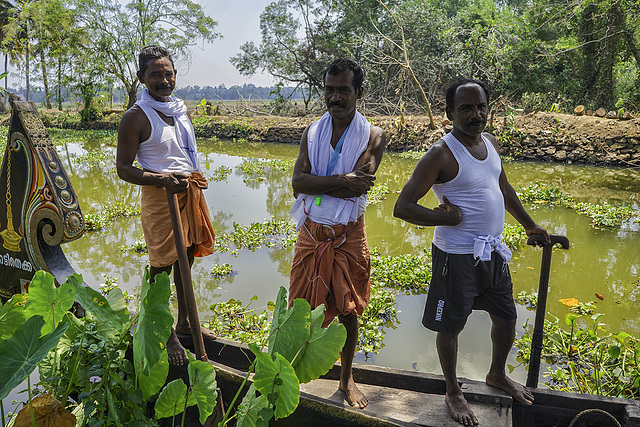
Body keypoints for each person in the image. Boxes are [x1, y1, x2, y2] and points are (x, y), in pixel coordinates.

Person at [393, 79, 550, 426]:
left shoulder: (490, 143)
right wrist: (442, 217)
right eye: (465, 108)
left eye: (480, 106)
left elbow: (503, 187)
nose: (475, 114)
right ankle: (452, 390)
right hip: (457, 256)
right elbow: (402, 207)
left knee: (507, 317)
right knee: (451, 325)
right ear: (450, 113)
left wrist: (529, 224)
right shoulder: (441, 154)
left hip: (493, 253)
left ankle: (496, 374)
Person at [289, 58, 386, 409]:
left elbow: (358, 190)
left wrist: (329, 185)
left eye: (343, 90)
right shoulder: (311, 132)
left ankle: (346, 378)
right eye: (329, 89)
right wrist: (343, 180)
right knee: (300, 304)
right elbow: (297, 183)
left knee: (348, 309)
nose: (335, 97)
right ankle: (291, 367)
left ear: (358, 92)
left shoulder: (373, 136)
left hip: (347, 234)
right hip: (312, 231)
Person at [116, 45, 216, 365]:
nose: (164, 80)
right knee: (160, 267)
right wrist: (161, 180)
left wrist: (184, 180)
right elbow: (124, 168)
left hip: (188, 191)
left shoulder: (179, 109)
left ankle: (185, 322)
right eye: (155, 74)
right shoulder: (135, 117)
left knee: (186, 257)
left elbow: (184, 155)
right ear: (142, 77)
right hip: (160, 196)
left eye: (168, 73)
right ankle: (165, 332)